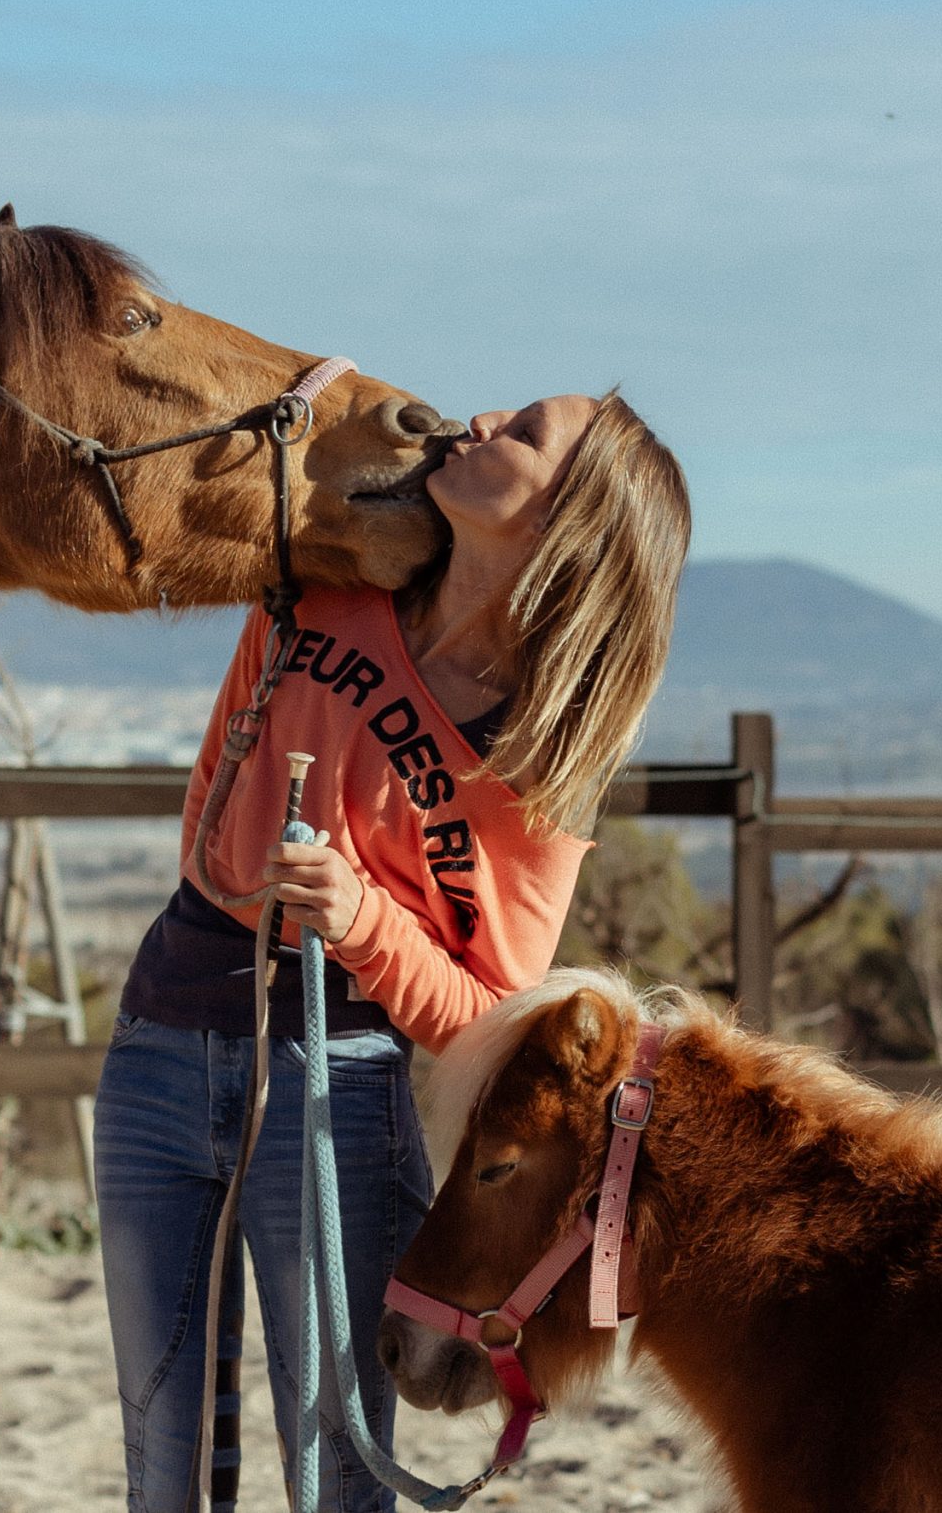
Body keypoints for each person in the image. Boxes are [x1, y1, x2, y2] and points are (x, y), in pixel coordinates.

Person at [93, 391, 692, 1512]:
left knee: (334, 1460)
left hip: (334, 1086)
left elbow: (491, 1023)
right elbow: (209, 827)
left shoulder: (536, 760)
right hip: (159, 1039)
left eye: (523, 433)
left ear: (567, 518)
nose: (479, 417)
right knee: (160, 1448)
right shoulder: (318, 595)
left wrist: (362, 920)